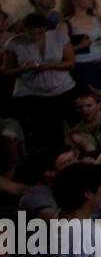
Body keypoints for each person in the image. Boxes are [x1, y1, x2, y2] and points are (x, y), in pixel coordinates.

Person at [4, 14, 77, 154]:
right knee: (42, 132)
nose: (36, 36)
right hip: (32, 93)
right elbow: (7, 71)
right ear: (25, 30)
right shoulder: (15, 43)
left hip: (61, 88)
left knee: (66, 128)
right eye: (31, 32)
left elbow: (70, 62)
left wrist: (50, 66)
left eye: (40, 32)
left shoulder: (59, 37)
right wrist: (23, 69)